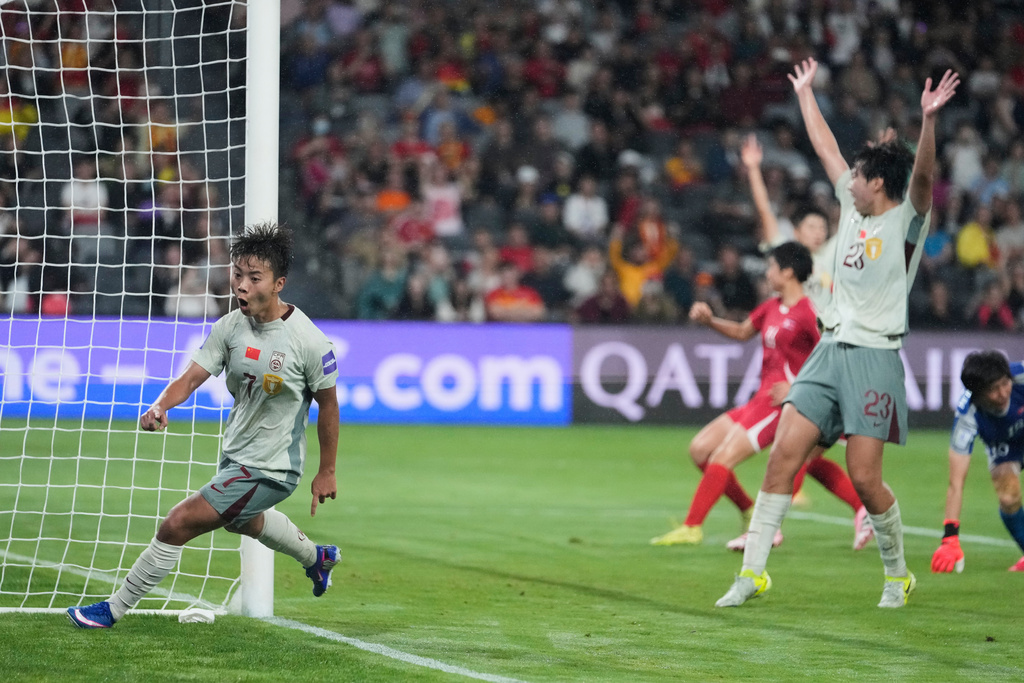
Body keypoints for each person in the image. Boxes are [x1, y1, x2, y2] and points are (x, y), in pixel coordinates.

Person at [716, 58, 959, 609]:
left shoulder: (906, 222)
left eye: (857, 175)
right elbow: (826, 147)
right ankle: (753, 573)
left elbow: (922, 177)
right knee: (783, 455)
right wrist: (805, 95)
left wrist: (928, 121)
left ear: (876, 183)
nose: (845, 179)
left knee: (865, 478)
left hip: (875, 357)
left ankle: (897, 574)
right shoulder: (851, 214)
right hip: (828, 353)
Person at [67, 224, 341, 628]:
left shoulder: (310, 343)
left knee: (178, 522)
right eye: (237, 275)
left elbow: (329, 406)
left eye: (253, 278)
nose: (241, 286)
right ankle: (317, 558)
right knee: (244, 521)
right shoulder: (230, 326)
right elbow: (192, 377)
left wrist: (327, 470)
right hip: (237, 455)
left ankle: (112, 609)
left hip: (272, 467)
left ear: (279, 283)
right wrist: (161, 406)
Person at [650, 242, 871, 551]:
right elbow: (743, 332)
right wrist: (710, 320)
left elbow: (832, 357)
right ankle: (751, 509)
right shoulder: (771, 306)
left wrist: (798, 391)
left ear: (788, 271)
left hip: (781, 404)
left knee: (725, 457)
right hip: (760, 399)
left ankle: (692, 527)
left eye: (771, 267)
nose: (767, 273)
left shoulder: (809, 312)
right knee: (700, 449)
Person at [931, 351, 1024, 575]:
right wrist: (950, 537)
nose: (1003, 393)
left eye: (1004, 384)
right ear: (977, 394)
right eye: (993, 389)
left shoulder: (1019, 375)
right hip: (1006, 448)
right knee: (1008, 497)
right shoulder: (967, 416)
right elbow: (956, 483)